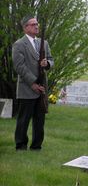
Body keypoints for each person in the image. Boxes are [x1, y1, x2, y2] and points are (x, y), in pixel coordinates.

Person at [12, 15, 54, 151]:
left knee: (39, 120)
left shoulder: (44, 43)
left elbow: (51, 60)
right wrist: (33, 83)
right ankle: (21, 145)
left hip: (41, 88)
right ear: (25, 28)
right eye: (33, 24)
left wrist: (47, 63)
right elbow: (20, 67)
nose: (36, 26)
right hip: (27, 87)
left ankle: (36, 146)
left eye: (37, 24)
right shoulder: (19, 44)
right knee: (23, 120)